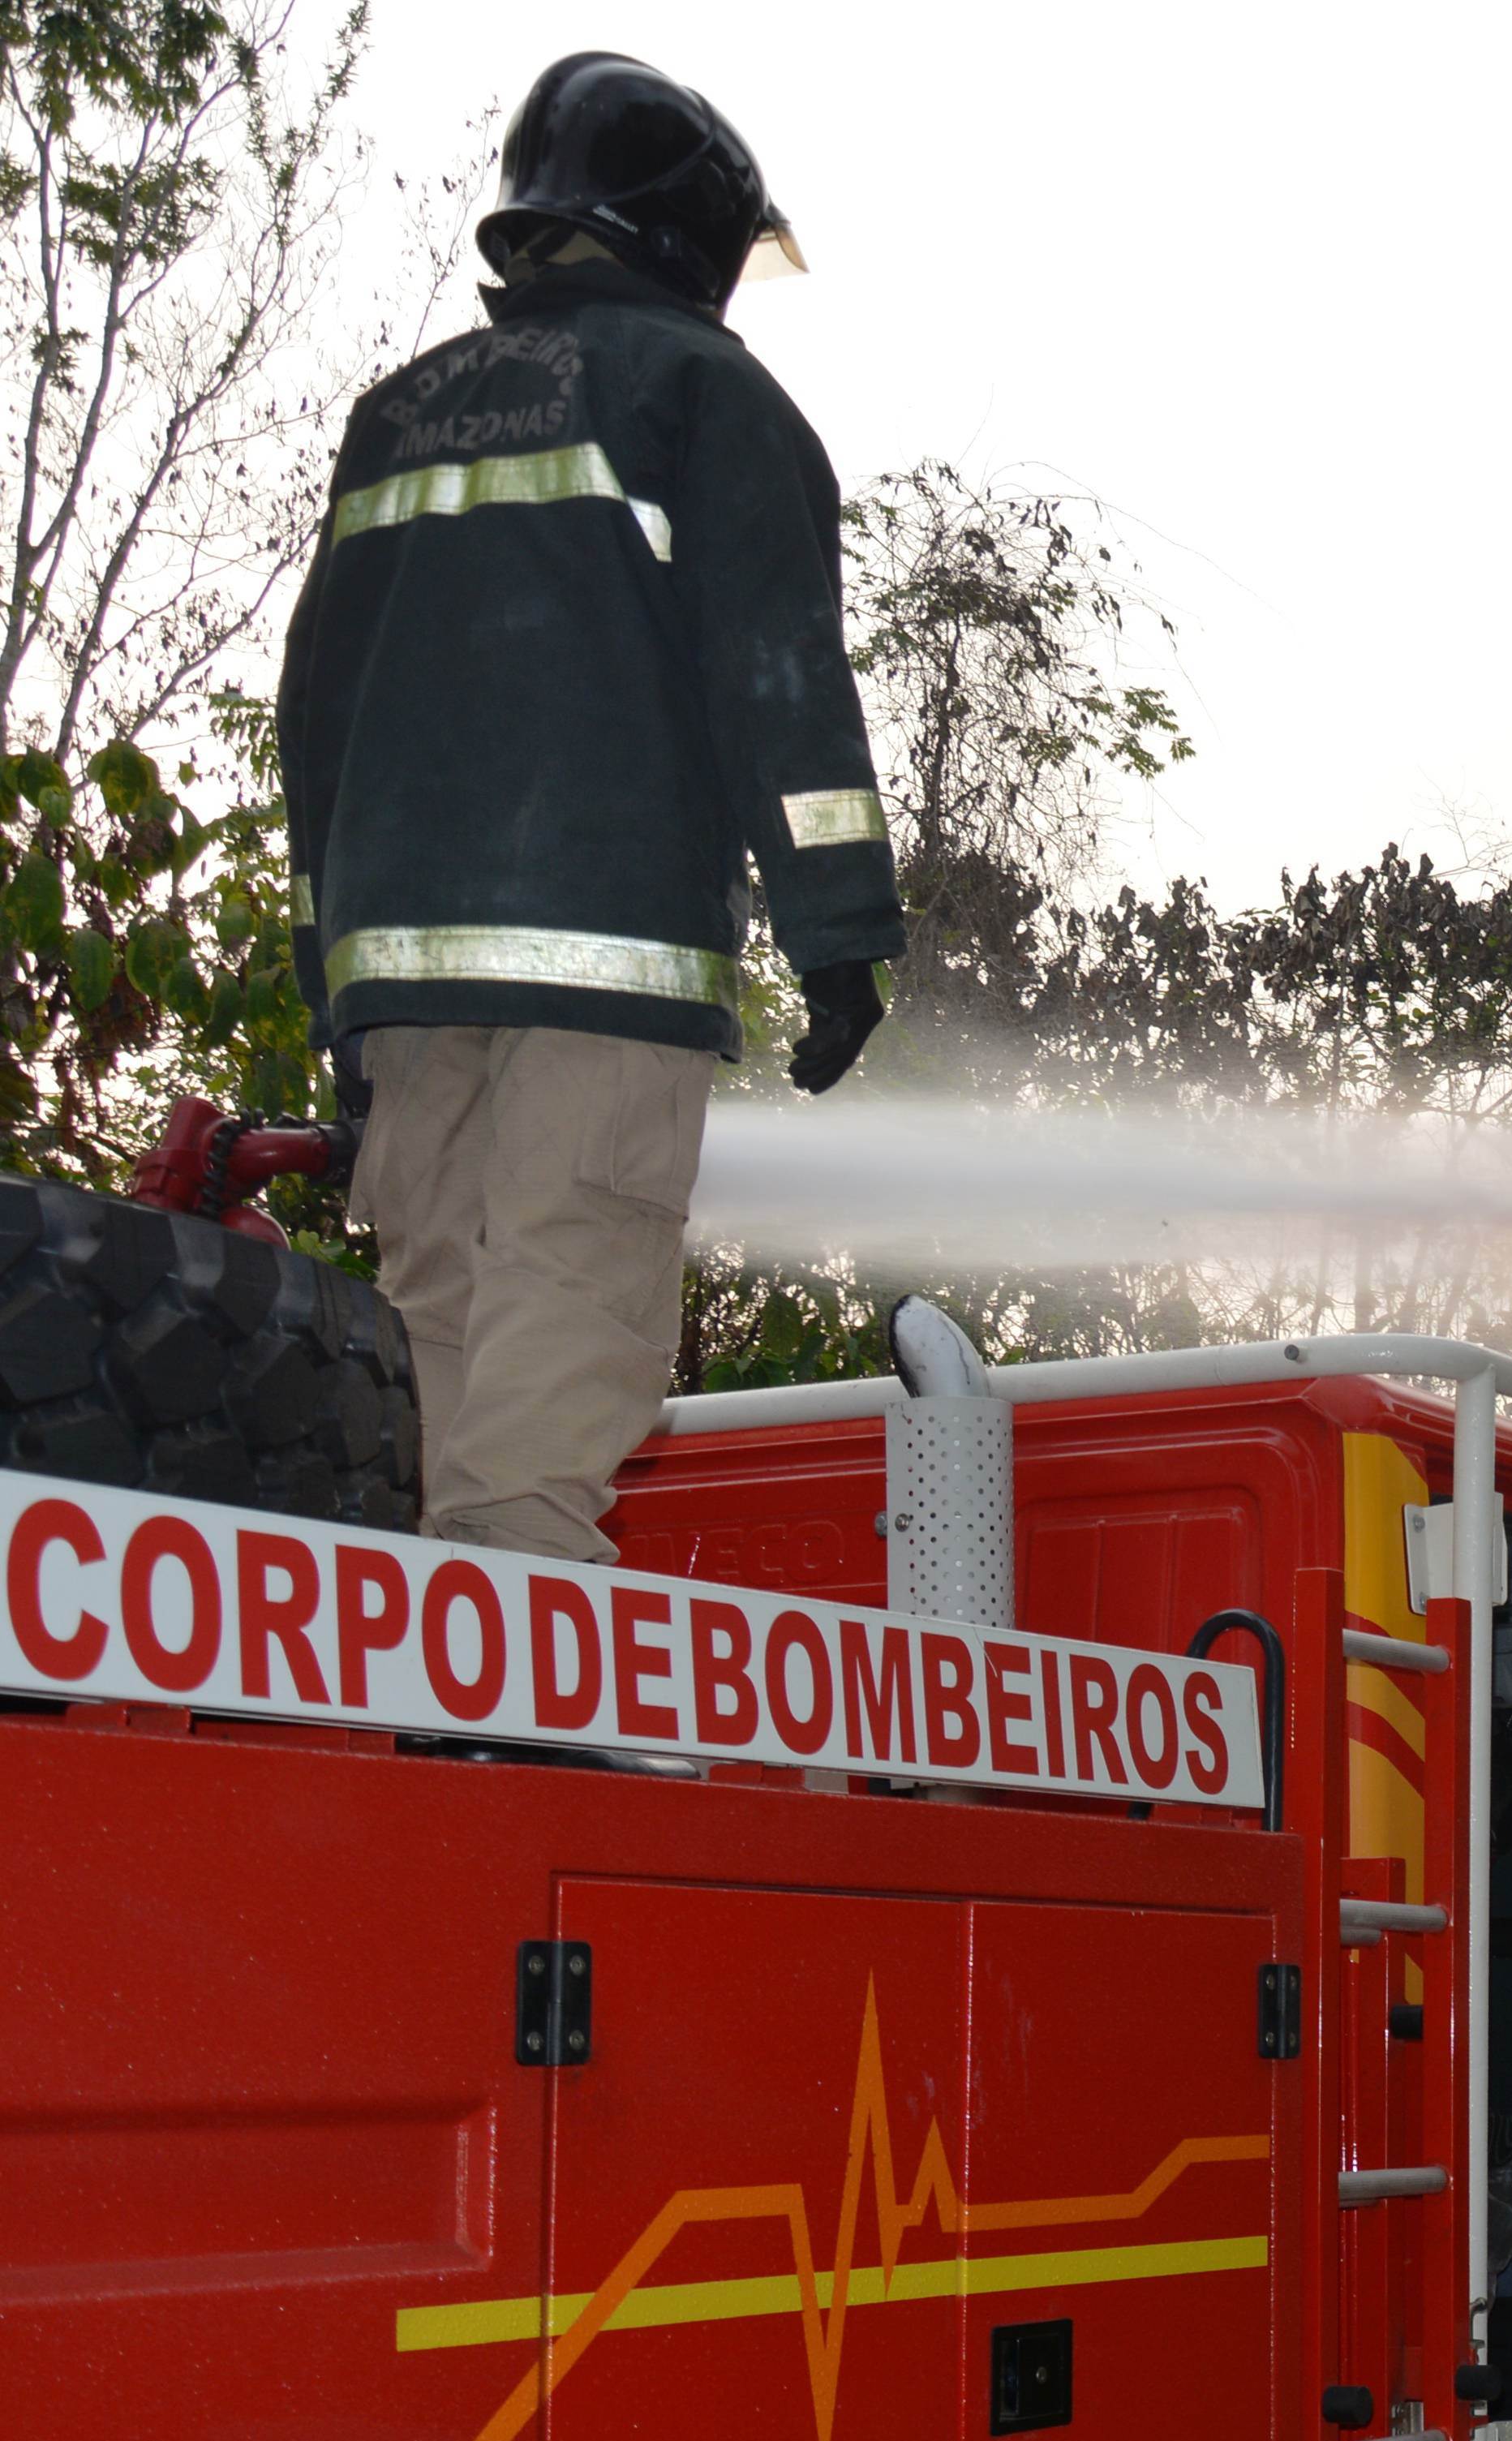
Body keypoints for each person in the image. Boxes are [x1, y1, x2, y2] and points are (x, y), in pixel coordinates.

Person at [276, 53, 902, 1565]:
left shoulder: (395, 418)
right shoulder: (705, 393)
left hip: (401, 971)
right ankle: (514, 1625)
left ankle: (427, 1608)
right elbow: (776, 679)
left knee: (434, 1293)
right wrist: (837, 931)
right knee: (574, 1273)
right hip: (607, 951)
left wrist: (330, 983)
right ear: (687, 230)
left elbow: (317, 719)